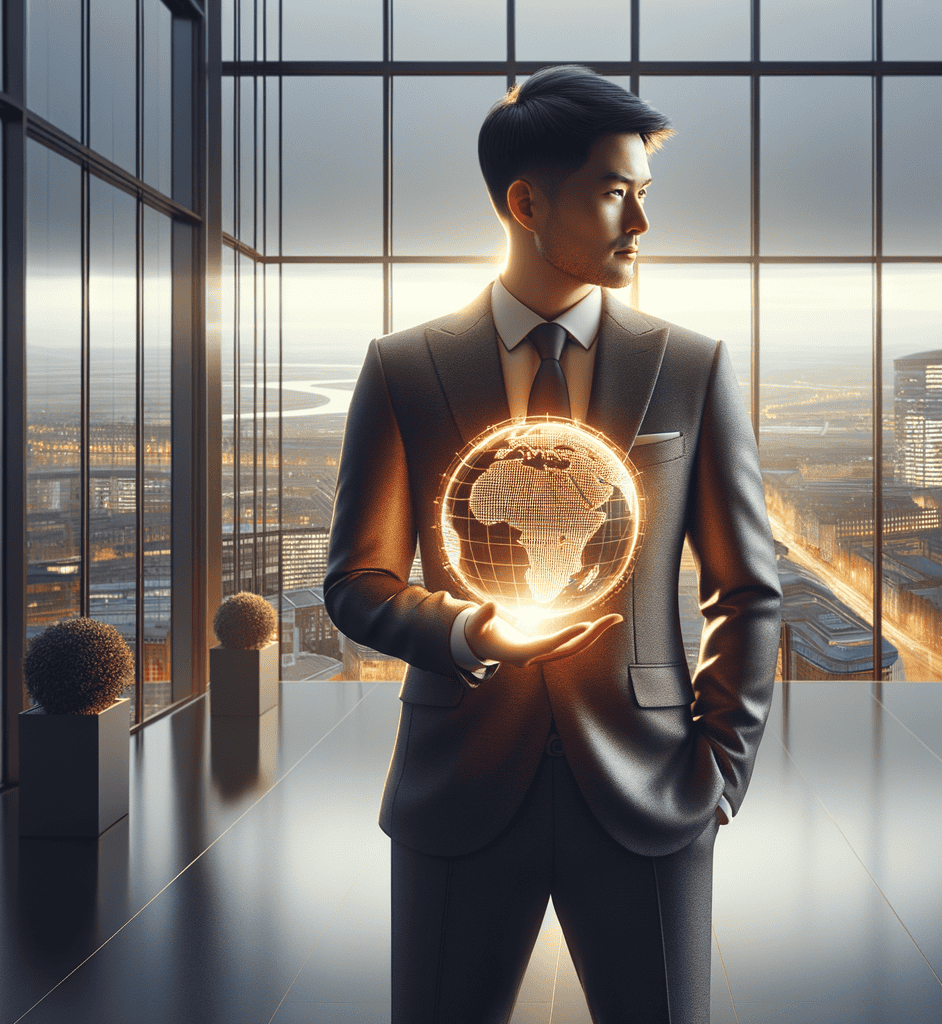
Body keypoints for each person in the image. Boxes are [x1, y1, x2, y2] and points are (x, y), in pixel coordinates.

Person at [324, 64, 781, 1024]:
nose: (640, 226)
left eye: (643, 196)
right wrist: (466, 635)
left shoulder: (690, 367)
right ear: (527, 201)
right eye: (617, 195)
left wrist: (721, 774)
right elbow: (358, 582)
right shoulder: (404, 369)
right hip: (458, 788)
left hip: (653, 787)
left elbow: (747, 590)